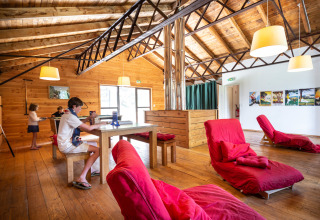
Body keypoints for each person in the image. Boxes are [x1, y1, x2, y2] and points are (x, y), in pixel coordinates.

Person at [57, 97, 103, 190]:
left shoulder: (67, 114)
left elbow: (79, 124)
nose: (80, 109)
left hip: (65, 142)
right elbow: (89, 128)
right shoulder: (70, 116)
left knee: (93, 143)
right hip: (68, 145)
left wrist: (89, 118)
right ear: (74, 106)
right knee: (98, 150)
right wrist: (103, 124)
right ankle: (82, 177)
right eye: (80, 107)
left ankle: (91, 169)